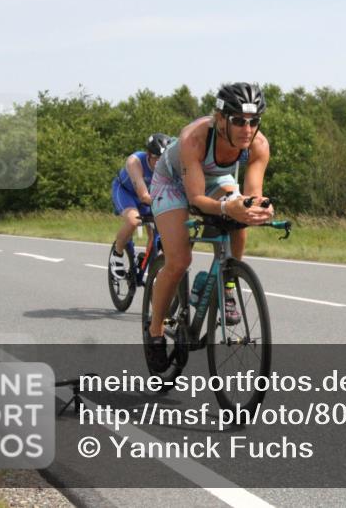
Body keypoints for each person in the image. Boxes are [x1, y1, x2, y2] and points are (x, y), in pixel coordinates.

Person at [145, 83, 273, 372]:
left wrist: (259, 207)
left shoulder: (259, 145)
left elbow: (252, 195)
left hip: (214, 179)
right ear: (219, 118)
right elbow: (196, 199)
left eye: (254, 121)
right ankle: (154, 332)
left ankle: (228, 284)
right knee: (179, 261)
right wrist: (228, 206)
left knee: (241, 214)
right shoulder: (194, 137)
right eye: (238, 120)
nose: (247, 128)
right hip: (174, 183)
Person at [109, 133, 172, 280]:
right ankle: (117, 253)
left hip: (150, 198)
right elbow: (143, 196)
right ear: (149, 154)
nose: (160, 163)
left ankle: (148, 270)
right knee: (133, 221)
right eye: (157, 158)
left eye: (163, 159)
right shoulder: (134, 161)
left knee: (156, 233)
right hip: (126, 192)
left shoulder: (168, 167)